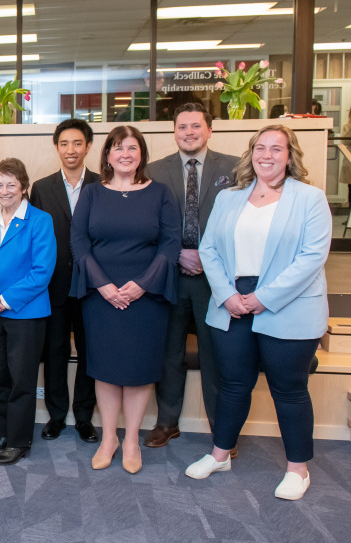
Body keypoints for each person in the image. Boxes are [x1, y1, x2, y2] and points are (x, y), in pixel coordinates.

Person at [185, 125, 331, 501]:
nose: (267, 155)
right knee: (233, 385)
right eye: (260, 148)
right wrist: (227, 294)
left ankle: (298, 469)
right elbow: (210, 250)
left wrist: (263, 298)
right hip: (233, 302)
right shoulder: (230, 197)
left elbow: (311, 258)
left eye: (276, 149)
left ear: (289, 155)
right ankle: (220, 455)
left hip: (289, 305)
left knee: (289, 389)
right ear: (250, 154)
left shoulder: (310, 198)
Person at [70, 125, 181, 475]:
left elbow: (170, 245)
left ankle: (131, 439)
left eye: (132, 148)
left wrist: (142, 285)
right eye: (118, 148)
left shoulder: (160, 193)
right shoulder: (91, 193)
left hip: (146, 298)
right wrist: (102, 285)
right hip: (100, 297)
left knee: (137, 371)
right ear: (106, 155)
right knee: (104, 370)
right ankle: (109, 438)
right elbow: (79, 242)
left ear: (141, 155)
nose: (125, 154)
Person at [145, 103, 240, 450]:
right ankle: (166, 422)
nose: (189, 132)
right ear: (174, 132)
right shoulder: (154, 170)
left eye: (195, 126)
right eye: (182, 127)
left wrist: (206, 255)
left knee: (216, 353)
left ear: (209, 130)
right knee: (168, 352)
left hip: (216, 280)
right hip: (169, 275)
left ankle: (222, 429)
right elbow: (147, 223)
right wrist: (177, 254)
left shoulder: (234, 167)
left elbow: (240, 221)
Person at [0, 159, 56, 465]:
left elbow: (42, 272)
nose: (5, 191)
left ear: (23, 187)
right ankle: (5, 432)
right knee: (1, 376)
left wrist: (3, 299)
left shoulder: (40, 221)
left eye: (11, 184)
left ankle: (19, 441)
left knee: (22, 379)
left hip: (26, 314)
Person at [29, 119, 100, 443]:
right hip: (53, 285)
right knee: (54, 351)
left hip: (93, 286)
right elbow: (35, 238)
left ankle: (84, 417)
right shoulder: (42, 188)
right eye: (64, 144)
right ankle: (57, 416)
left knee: (90, 352)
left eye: (77, 143)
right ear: (56, 147)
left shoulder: (103, 185)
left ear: (88, 146)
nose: (70, 150)